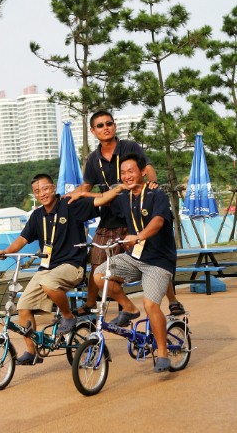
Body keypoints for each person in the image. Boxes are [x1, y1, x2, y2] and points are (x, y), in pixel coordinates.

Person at [0, 173, 124, 366]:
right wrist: (6, 251)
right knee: (22, 306)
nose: (42, 193)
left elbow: (102, 201)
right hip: (47, 268)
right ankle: (32, 352)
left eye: (45, 188)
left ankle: (67, 316)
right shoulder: (37, 215)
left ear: (53, 188)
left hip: (72, 266)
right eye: (37, 191)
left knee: (48, 283)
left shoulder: (69, 204)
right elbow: (22, 239)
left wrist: (119, 188)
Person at [67, 110, 184, 317]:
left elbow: (147, 168)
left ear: (114, 126)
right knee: (97, 260)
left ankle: (172, 299)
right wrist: (69, 197)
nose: (105, 128)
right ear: (93, 131)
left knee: (152, 256)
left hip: (136, 215)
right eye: (100, 125)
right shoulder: (94, 159)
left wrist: (152, 186)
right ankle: (91, 303)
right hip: (111, 214)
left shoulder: (130, 147)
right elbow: (86, 185)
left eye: (108, 123)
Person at [93, 153, 177, 372]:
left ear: (143, 172)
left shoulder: (156, 195)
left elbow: (158, 221)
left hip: (158, 261)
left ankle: (163, 353)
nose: (127, 176)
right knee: (99, 276)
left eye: (131, 171)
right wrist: (75, 195)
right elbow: (99, 199)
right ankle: (129, 308)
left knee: (150, 305)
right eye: (123, 173)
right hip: (134, 258)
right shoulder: (124, 197)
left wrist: (138, 236)